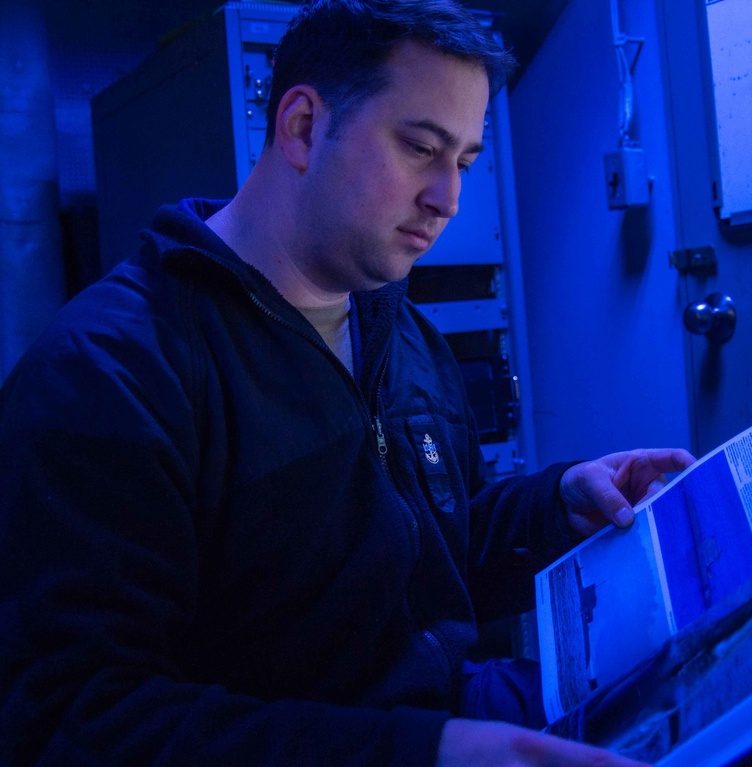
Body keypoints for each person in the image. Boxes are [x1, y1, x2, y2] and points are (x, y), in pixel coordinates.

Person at [0, 1, 694, 764]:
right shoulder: (112, 373)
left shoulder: (399, 331)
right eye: (420, 148)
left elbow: (433, 542)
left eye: (462, 161)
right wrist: (424, 753)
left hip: (448, 708)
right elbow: (74, 718)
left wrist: (558, 503)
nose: (448, 199)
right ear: (301, 128)